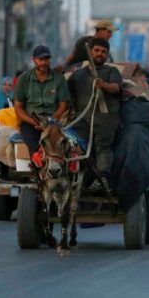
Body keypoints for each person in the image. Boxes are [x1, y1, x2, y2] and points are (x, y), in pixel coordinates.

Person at [68, 38, 122, 190]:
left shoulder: (111, 71)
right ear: (90, 52)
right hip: (82, 118)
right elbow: (67, 94)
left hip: (105, 119)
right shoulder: (78, 75)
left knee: (102, 147)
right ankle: (75, 175)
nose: (100, 54)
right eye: (97, 51)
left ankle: (102, 179)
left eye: (103, 52)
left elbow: (117, 88)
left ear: (107, 54)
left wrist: (104, 85)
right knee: (73, 143)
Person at [14, 45, 71, 155]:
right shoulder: (24, 79)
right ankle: (36, 169)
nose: (44, 62)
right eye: (40, 59)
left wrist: (49, 122)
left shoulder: (59, 79)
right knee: (35, 148)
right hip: (30, 122)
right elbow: (18, 108)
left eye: (46, 59)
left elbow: (63, 105)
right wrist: (33, 121)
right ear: (34, 60)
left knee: (61, 146)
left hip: (54, 122)